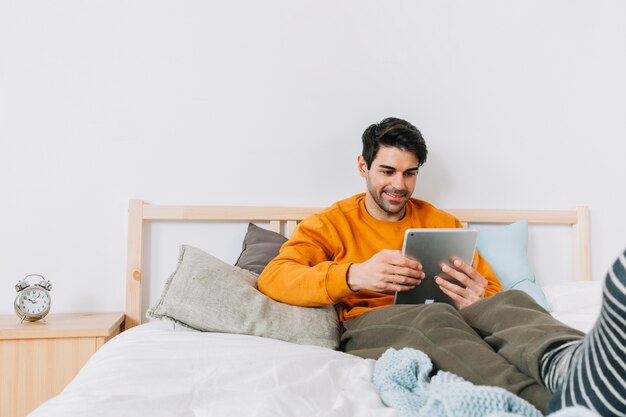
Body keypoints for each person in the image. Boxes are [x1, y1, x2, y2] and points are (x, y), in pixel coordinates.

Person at [258, 117, 626, 416]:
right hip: (369, 326)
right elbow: (274, 277)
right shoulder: (331, 223)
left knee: (511, 303)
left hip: (450, 315)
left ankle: (573, 364)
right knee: (434, 319)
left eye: (409, 173)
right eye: (387, 171)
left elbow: (492, 292)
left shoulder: (440, 221)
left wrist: (481, 295)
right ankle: (547, 404)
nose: (398, 185)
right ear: (362, 166)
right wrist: (354, 275)